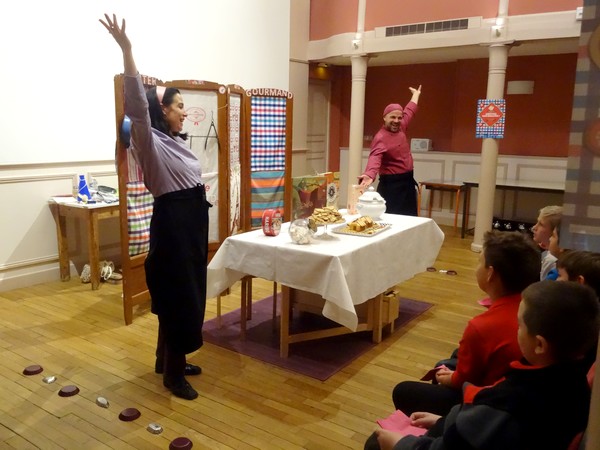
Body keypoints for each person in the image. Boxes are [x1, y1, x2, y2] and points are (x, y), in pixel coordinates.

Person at [100, 14, 210, 400]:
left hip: (190, 229)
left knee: (182, 295)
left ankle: (167, 359)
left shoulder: (177, 141)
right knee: (179, 298)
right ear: (162, 111)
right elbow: (135, 106)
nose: (184, 111)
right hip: (175, 229)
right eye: (179, 105)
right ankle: (173, 376)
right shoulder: (149, 140)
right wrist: (127, 51)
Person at [366, 280, 599, 450]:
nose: (516, 330)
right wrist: (442, 420)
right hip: (462, 423)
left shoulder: (513, 403)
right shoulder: (574, 378)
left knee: (375, 443)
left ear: (539, 344)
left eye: (520, 325)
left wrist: (401, 444)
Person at [392, 230, 541, 417]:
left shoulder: (482, 326)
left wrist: (451, 378)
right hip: (514, 396)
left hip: (487, 404)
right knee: (447, 361)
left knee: (403, 390)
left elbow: (466, 380)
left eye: (480, 262)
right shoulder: (535, 308)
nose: (476, 267)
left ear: (491, 274)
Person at [358, 86, 422, 216]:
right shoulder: (380, 138)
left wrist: (416, 94)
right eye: (392, 117)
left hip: (407, 183)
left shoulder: (402, 126)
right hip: (392, 187)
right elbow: (374, 158)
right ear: (385, 117)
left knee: (410, 221)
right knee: (392, 221)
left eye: (399, 118)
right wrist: (369, 175)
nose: (396, 121)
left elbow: (410, 110)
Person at [531, 205, 562, 280]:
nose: (534, 228)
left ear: (555, 231)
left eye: (541, 224)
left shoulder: (551, 260)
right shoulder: (547, 253)